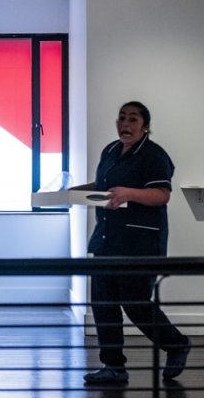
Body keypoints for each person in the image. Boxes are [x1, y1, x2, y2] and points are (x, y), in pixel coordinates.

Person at [73, 101, 191, 384]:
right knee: (103, 304)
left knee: (135, 303)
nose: (125, 123)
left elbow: (162, 194)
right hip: (106, 240)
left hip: (139, 243)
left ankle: (176, 345)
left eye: (133, 119)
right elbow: (104, 187)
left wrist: (129, 193)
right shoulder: (111, 151)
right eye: (122, 118)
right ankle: (113, 366)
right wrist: (70, 192)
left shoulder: (153, 155)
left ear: (145, 126)